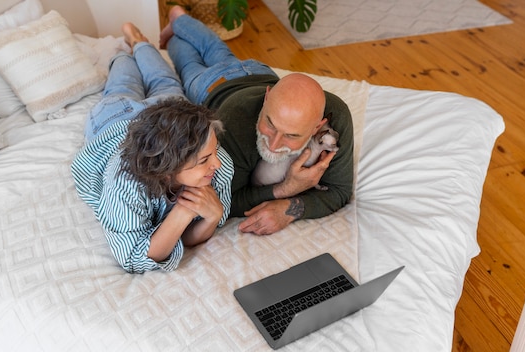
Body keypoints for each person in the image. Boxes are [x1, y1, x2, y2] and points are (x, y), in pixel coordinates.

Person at [159, 6, 354, 236]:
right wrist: (285, 190)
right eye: (270, 124)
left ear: (317, 127)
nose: (273, 144)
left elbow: (340, 192)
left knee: (218, 49)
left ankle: (180, 21)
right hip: (210, 85)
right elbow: (226, 201)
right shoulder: (235, 123)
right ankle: (178, 22)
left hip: (257, 71)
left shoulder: (336, 118)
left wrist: (289, 210)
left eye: (291, 136)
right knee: (185, 59)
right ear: (268, 97)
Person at [71, 23, 234, 273]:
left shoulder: (210, 156)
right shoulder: (125, 182)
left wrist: (212, 216)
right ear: (166, 168)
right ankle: (122, 52)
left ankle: (139, 42)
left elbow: (191, 235)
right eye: (204, 160)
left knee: (165, 80)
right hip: (114, 119)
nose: (218, 163)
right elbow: (134, 256)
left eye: (214, 152)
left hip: (166, 116)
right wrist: (182, 211)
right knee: (122, 83)